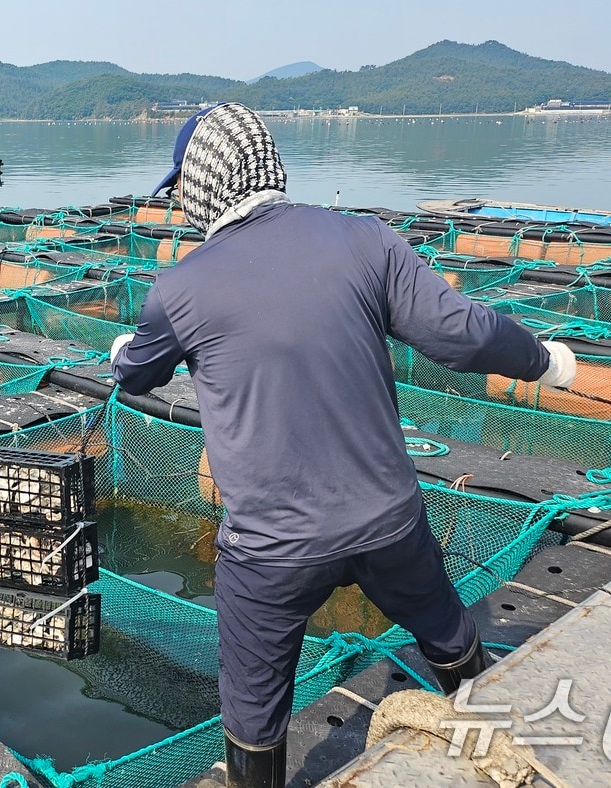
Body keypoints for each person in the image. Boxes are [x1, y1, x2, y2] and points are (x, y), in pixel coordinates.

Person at [110, 103, 577, 788]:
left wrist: (127, 348)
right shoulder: (366, 241)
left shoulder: (181, 288)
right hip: (388, 519)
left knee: (253, 704)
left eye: (183, 185)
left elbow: (135, 372)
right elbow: (461, 333)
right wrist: (545, 360)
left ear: (204, 181)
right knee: (445, 627)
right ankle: (485, 734)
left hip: (272, 549)